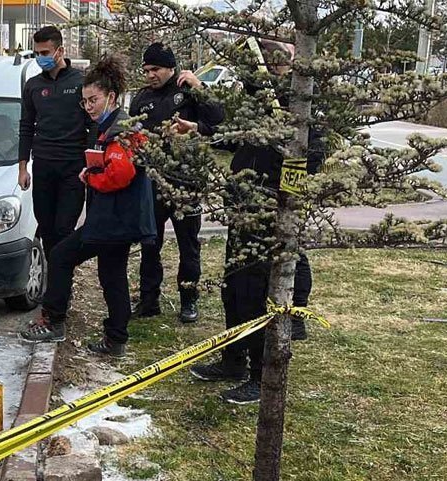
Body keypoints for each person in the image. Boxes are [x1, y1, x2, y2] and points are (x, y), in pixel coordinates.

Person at [190, 40, 322, 405]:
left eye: (255, 69)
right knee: (233, 291)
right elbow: (236, 139)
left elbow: (312, 158)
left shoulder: (297, 105)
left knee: (253, 293)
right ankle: (232, 361)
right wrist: (201, 130)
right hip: (240, 208)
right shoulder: (255, 101)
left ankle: (260, 377)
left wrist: (285, 196)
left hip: (269, 211)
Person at [20, 55, 156, 356]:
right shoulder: (110, 127)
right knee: (112, 275)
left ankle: (54, 320)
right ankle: (116, 338)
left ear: (111, 97)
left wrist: (91, 177)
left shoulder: (120, 129)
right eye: (84, 102)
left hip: (114, 218)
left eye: (93, 100)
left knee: (62, 255)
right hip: (116, 217)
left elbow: (119, 175)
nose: (88, 107)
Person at [129, 41, 225, 323]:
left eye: (155, 69)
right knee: (150, 243)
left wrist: (199, 88)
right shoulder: (142, 97)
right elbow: (133, 134)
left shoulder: (188, 92)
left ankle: (189, 299)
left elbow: (218, 120)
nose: (150, 75)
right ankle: (149, 300)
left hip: (186, 182)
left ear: (171, 67)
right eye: (146, 70)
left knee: (188, 245)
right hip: (152, 183)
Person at [18, 26, 92, 263]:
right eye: (37, 53)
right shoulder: (33, 86)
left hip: (73, 168)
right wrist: (22, 168)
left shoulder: (81, 81)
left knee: (64, 230)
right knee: (47, 229)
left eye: (45, 52)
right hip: (43, 167)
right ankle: (55, 284)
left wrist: (91, 163)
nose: (41, 58)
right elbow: (26, 126)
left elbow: (94, 124)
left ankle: (63, 285)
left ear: (60, 51)